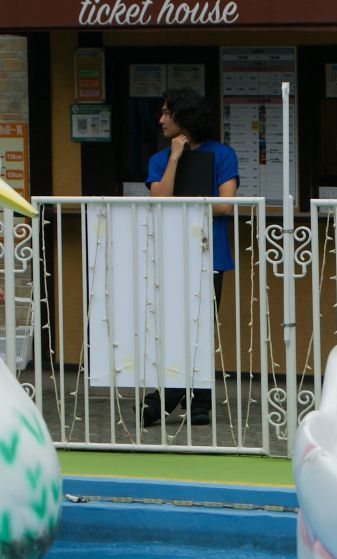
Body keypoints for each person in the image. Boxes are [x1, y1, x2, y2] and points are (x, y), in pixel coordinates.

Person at [142, 88, 239, 427]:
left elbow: (226, 204)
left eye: (167, 113)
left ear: (185, 116)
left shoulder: (222, 154)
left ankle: (185, 398)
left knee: (201, 327)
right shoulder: (160, 159)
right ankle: (185, 398)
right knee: (171, 327)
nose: (161, 120)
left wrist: (183, 207)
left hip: (210, 253)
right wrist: (174, 158)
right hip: (170, 253)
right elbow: (159, 200)